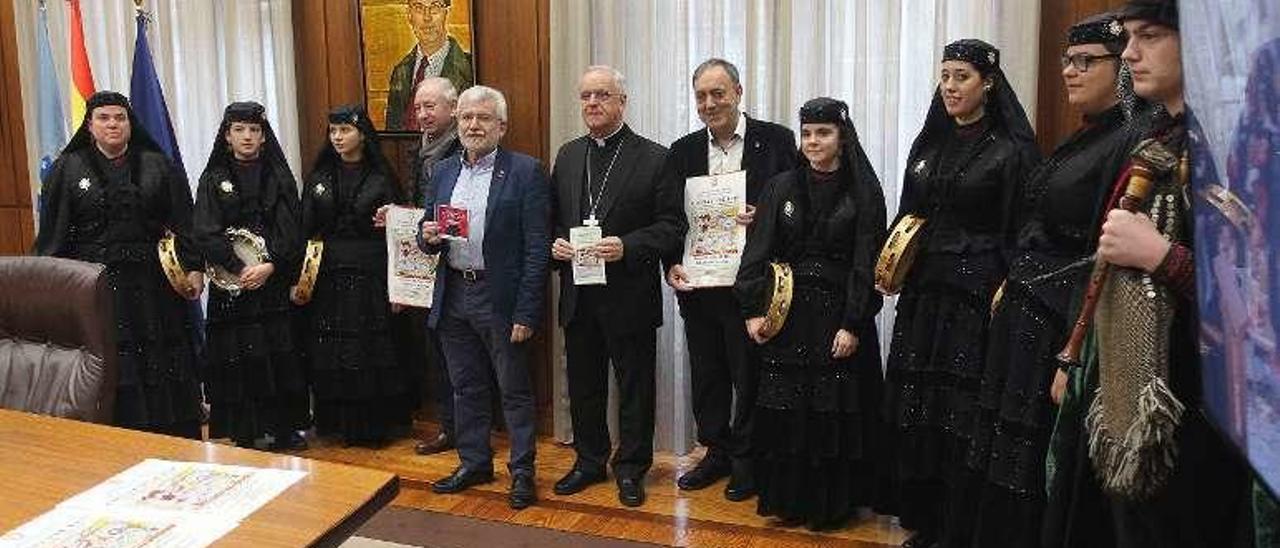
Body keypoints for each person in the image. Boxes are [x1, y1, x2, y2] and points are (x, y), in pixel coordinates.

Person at [1043, 1, 1252, 546]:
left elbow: (1257, 298)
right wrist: (1076, 354)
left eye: (1151, 36)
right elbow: (1105, 265)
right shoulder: (1152, 139)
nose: (1131, 53)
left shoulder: (1237, 144)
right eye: (1129, 37)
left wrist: (1164, 258)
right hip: (1128, 386)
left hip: (1207, 412)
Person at [956, 14, 1145, 547]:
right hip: (1027, 314)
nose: (1069, 71)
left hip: (1059, 327)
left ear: (1121, 66)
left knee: (1037, 461)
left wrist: (1073, 348)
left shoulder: (1131, 140)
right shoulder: (1085, 137)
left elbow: (1102, 261)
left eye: (1086, 61)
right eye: (1067, 59)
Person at [880, 39, 1040, 548]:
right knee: (919, 404)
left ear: (988, 83)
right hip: (925, 294)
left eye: (962, 76)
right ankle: (926, 519)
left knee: (961, 411)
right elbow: (909, 215)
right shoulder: (929, 144)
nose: (950, 86)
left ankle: (960, 526)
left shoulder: (1010, 152)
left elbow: (1021, 233)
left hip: (975, 297)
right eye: (945, 75)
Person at [735, 97, 887, 530]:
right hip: (788, 317)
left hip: (838, 318)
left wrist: (854, 324)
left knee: (830, 411)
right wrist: (752, 309)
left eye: (823, 133)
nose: (813, 141)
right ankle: (790, 501)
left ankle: (830, 506)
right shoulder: (780, 187)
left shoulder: (864, 191)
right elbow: (758, 250)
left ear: (842, 137)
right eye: (806, 134)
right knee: (787, 410)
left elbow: (866, 263)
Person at [549, 66, 685, 508]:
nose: (592, 103)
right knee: (584, 385)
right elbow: (553, 220)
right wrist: (557, 246)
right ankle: (589, 461)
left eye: (602, 95)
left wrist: (626, 246)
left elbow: (671, 227)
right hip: (579, 294)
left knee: (634, 389)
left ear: (622, 102)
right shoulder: (568, 155)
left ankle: (631, 468)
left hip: (628, 296)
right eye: (586, 95)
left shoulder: (655, 157)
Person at [34, 91, 204, 438]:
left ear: (130, 123)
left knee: (163, 360)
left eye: (120, 118)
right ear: (90, 125)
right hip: (94, 286)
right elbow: (53, 234)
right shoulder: (68, 169)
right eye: (104, 118)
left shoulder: (158, 164)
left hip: (154, 284)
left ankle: (173, 437)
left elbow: (186, 223)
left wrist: (194, 267)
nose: (113, 125)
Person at [664, 58, 797, 501]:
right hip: (699, 285)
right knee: (708, 375)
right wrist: (670, 264)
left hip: (750, 284)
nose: (709, 103)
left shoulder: (777, 141)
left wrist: (767, 216)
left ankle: (748, 460)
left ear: (738, 92)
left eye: (718, 93)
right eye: (701, 95)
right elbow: (669, 218)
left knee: (749, 376)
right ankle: (715, 452)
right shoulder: (681, 151)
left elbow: (798, 206)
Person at [417, 85, 549, 510]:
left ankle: (522, 471)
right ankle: (474, 462)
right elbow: (427, 232)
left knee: (513, 390)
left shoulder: (527, 172)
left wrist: (527, 310)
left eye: (483, 118)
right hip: (454, 291)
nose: (474, 125)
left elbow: (536, 248)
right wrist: (428, 237)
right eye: (467, 118)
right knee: (466, 386)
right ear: (458, 123)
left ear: (502, 126)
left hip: (500, 297)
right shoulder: (442, 172)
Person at [193, 102, 309, 450]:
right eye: (239, 130)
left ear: (263, 136)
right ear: (227, 136)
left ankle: (284, 429)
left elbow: (292, 229)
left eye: (254, 130)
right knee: (237, 357)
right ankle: (244, 431)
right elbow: (204, 231)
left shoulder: (279, 176)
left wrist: (270, 265)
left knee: (278, 354)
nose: (247, 137)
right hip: (232, 286)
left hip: (272, 283)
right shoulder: (213, 178)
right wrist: (240, 266)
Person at [297, 105, 411, 447]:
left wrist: (400, 285)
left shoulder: (382, 178)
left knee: (370, 349)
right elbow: (306, 229)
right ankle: (335, 423)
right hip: (328, 276)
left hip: (372, 275)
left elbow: (401, 234)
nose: (337, 137)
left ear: (361, 134)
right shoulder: (318, 178)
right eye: (332, 131)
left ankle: (375, 425)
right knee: (334, 350)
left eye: (344, 131)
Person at [377, 76, 464, 456]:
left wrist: (417, 222)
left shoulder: (465, 149)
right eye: (419, 107)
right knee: (437, 352)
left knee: (461, 356)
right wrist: (396, 216)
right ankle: (450, 426)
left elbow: (459, 216)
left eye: (432, 106)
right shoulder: (423, 147)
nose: (423, 114)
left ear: (453, 107)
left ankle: (467, 430)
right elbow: (421, 209)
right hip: (425, 265)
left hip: (458, 268)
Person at [385, 0, 474, 131]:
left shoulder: (471, 68)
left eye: (435, 7)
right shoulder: (400, 72)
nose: (427, 17)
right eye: (419, 8)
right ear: (409, 15)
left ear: (446, 13)